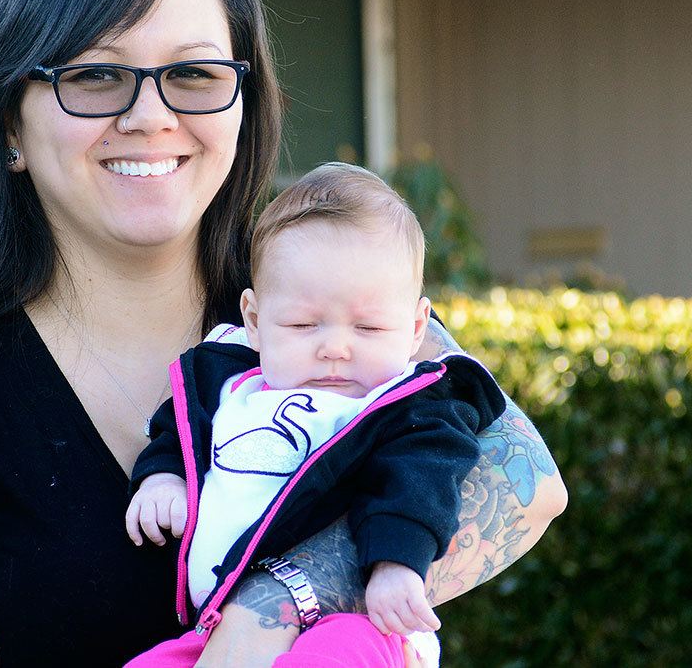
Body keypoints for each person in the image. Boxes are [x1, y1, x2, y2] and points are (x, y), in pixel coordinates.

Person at [0, 0, 568, 667]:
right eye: (98, 74)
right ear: (11, 126)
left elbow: (527, 478)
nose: (150, 114)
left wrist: (271, 605)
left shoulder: (314, 303)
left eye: (195, 73)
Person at [124, 163, 507, 667]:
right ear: (255, 322)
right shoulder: (227, 383)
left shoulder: (408, 407)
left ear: (416, 328)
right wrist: (162, 479)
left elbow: (421, 480)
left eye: (368, 328)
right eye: (304, 324)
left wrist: (397, 563)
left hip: (360, 625)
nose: (335, 348)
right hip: (215, 627)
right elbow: (178, 433)